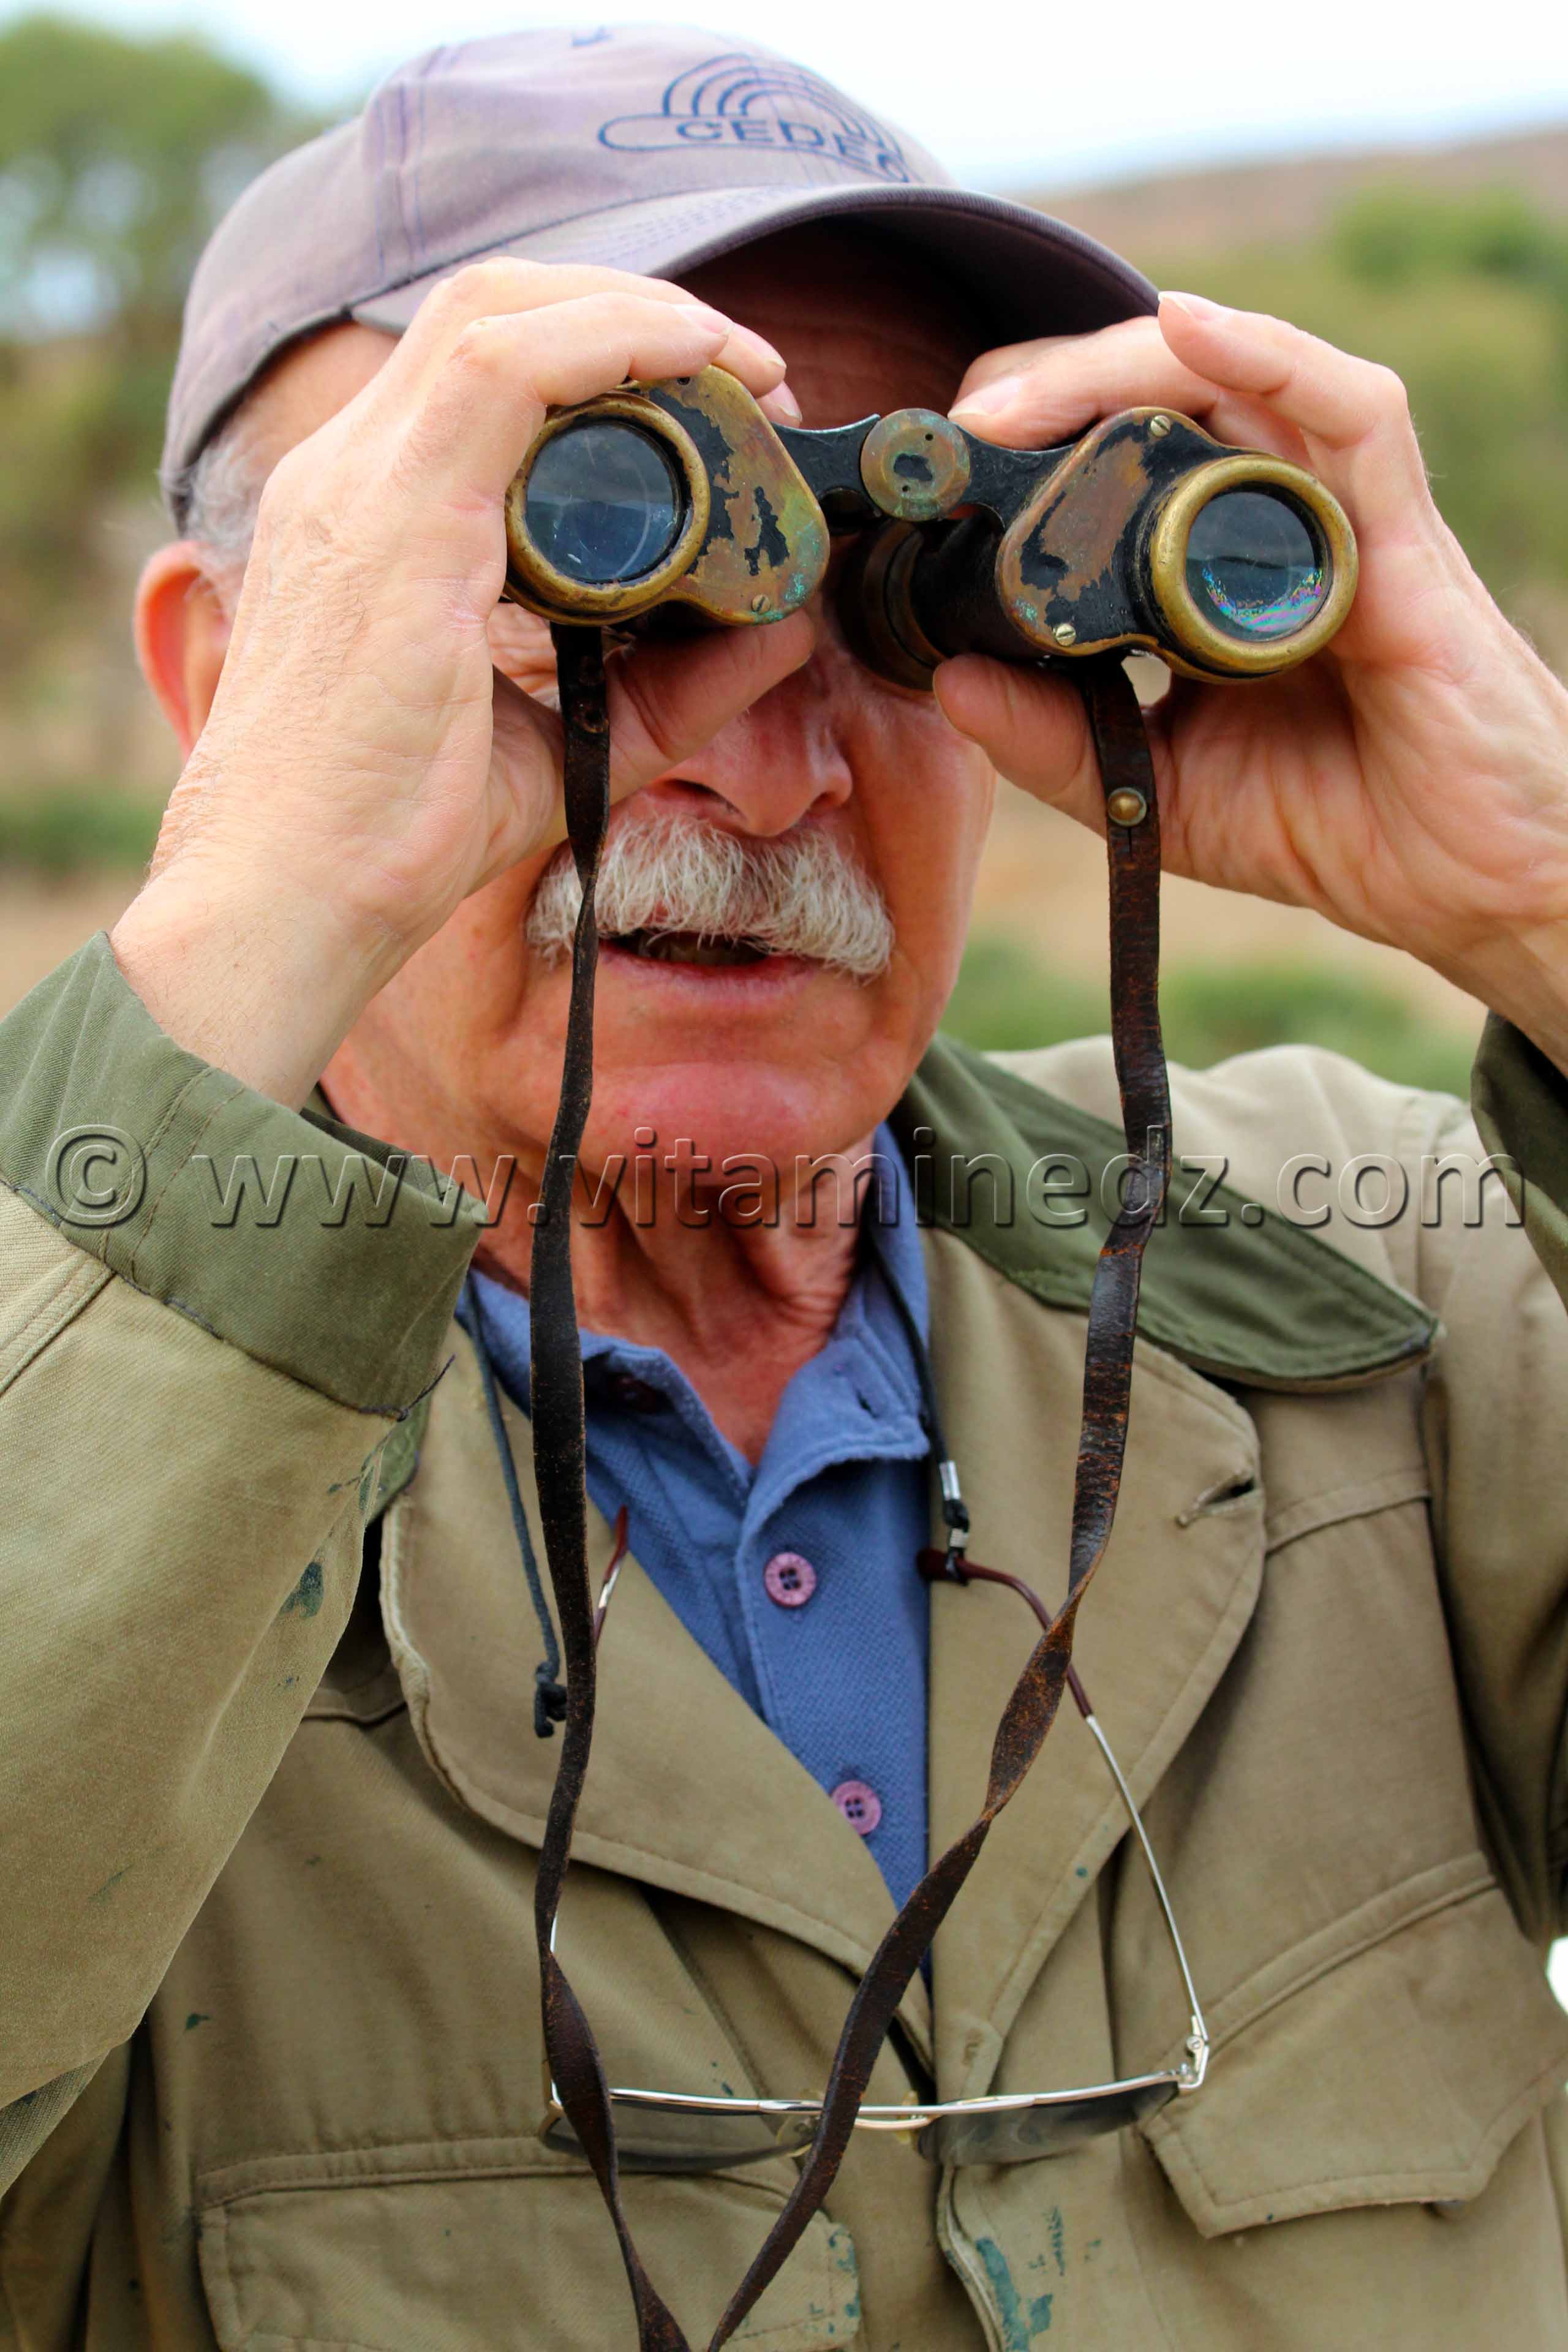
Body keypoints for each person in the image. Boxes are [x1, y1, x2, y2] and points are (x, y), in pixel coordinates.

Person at [4, 23, 1568, 2348]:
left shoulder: (1381, 1283)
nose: (758, 758)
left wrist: (1550, 898)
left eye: (892, 590)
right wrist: (257, 899)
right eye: (598, 553)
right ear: (221, 670)